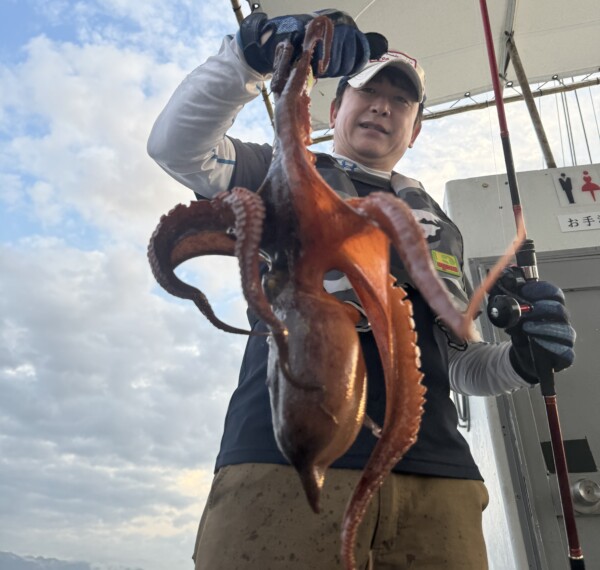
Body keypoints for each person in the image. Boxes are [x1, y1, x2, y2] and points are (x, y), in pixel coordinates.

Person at [147, 10, 576, 570]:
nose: (382, 105)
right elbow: (177, 148)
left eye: (400, 101)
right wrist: (249, 55)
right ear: (335, 108)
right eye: (368, 91)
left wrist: (521, 361)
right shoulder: (280, 174)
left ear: (415, 129)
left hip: (437, 477)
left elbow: (458, 368)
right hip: (282, 460)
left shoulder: (438, 225)